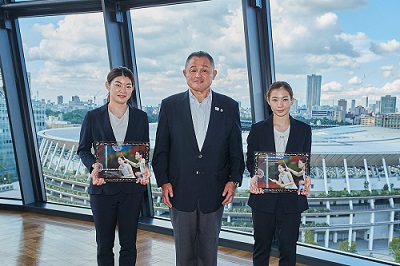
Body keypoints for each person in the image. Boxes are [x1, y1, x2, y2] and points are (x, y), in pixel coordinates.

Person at [152, 51, 245, 266]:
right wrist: (163, 182)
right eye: (193, 70)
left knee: (208, 252)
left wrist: (234, 180)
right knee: (183, 254)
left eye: (205, 70)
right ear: (185, 73)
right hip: (179, 189)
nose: (198, 74)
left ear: (214, 74)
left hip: (215, 191)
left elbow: (235, 150)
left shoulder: (229, 106)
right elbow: (161, 150)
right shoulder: (170, 105)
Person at [77, 66, 151, 265]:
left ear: (132, 90)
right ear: (107, 86)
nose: (123, 90)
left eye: (128, 86)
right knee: (104, 245)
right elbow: (83, 150)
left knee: (129, 245)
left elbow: (142, 152)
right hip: (102, 189)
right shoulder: (92, 117)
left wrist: (145, 168)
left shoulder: (141, 117)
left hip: (131, 190)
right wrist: (94, 166)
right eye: (118, 85)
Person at [246, 81, 312, 265]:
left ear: (292, 101)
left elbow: (305, 161)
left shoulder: (304, 130)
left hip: (292, 198)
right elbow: (251, 161)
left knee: (289, 250)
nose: (280, 104)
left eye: (284, 99)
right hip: (263, 197)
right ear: (268, 101)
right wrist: (254, 176)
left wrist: (306, 177)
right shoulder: (257, 129)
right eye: (275, 99)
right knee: (261, 248)